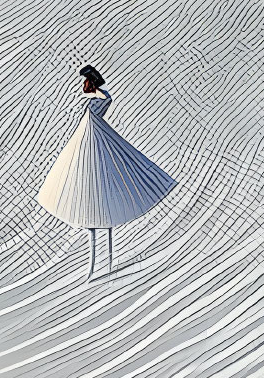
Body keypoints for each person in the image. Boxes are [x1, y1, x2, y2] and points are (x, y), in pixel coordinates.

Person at [37, 64, 177, 278]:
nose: (83, 85)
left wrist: (97, 86)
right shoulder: (92, 103)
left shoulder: (97, 101)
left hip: (94, 152)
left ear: (90, 83)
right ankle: (100, 264)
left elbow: (107, 98)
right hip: (86, 153)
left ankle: (102, 264)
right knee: (95, 214)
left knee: (100, 210)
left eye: (86, 82)